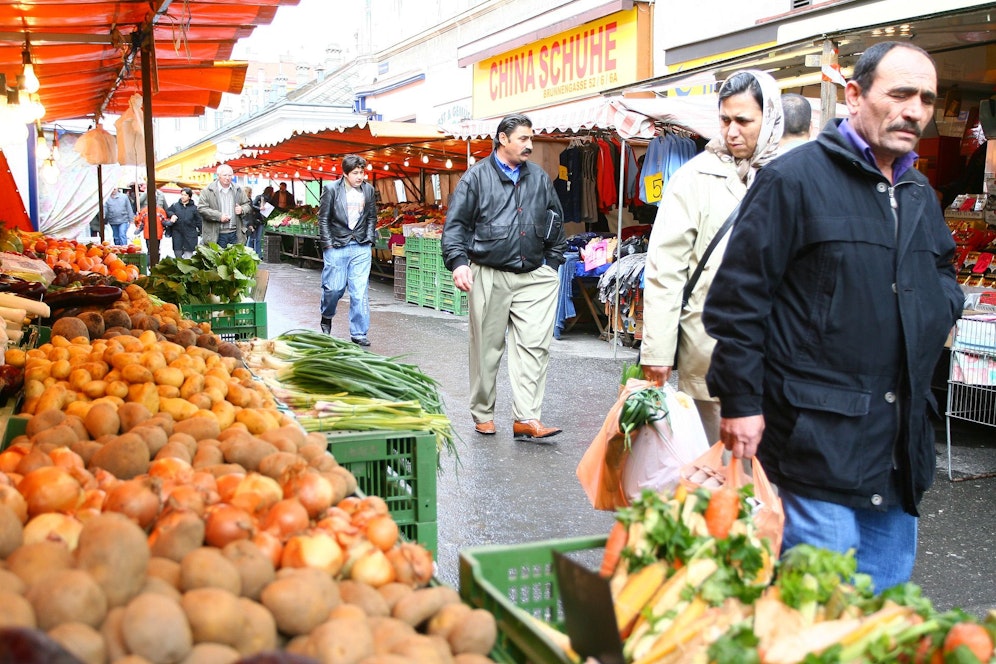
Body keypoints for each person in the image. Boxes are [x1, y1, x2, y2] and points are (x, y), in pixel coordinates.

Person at [702, 42, 964, 592]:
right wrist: (742, 402)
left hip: (898, 451)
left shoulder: (918, 191)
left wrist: (940, 307)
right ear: (854, 95)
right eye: (900, 94)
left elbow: (942, 267)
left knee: (877, 617)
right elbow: (738, 302)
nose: (914, 110)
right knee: (810, 610)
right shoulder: (793, 180)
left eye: (926, 99)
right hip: (812, 444)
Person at [639, 70, 784, 445]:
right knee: (719, 469)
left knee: (773, 483)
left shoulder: (795, 176)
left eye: (743, 121)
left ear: (769, 119)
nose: (731, 131)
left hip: (783, 355)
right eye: (725, 120)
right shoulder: (693, 178)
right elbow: (665, 269)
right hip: (710, 348)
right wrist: (657, 351)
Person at [441, 113, 567, 441]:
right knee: (486, 348)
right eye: (523, 139)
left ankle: (527, 418)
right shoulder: (476, 178)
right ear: (503, 139)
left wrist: (551, 264)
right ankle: (483, 413)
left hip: (534, 277)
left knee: (535, 347)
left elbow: (556, 218)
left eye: (531, 138)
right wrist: (458, 262)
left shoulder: (539, 178)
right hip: (489, 274)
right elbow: (455, 226)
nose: (530, 144)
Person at [317, 155, 377, 346]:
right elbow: (323, 218)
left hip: (360, 246)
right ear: (345, 173)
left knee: (359, 292)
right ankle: (327, 315)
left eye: (362, 172)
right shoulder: (332, 189)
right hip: (337, 245)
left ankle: (359, 332)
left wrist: (369, 239)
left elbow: (371, 217)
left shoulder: (368, 190)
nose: (360, 176)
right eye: (355, 173)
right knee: (333, 289)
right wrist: (328, 244)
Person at [197, 164, 249, 249]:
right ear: (218, 176)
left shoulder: (238, 189)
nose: (227, 178)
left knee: (234, 260)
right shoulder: (208, 191)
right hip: (216, 234)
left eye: (230, 175)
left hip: (235, 233)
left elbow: (247, 204)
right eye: (225, 175)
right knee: (218, 260)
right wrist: (219, 216)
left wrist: (242, 209)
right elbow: (201, 208)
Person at [166, 188, 203, 259]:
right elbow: (168, 211)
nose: (183, 196)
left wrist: (202, 233)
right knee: (178, 255)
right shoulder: (175, 205)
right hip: (177, 234)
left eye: (185, 195)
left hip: (190, 235)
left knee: (188, 258)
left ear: (189, 197)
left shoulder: (194, 209)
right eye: (182, 194)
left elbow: (199, 222)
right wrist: (172, 215)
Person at [249, 185, 274, 255]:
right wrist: (259, 208)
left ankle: (258, 254)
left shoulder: (269, 200)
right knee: (252, 238)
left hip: (262, 220)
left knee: (258, 238)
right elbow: (252, 206)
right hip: (256, 220)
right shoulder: (259, 197)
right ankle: (251, 253)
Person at [242, 185, 263, 255]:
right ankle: (248, 254)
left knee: (250, 239)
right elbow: (247, 215)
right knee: (249, 239)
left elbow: (250, 213)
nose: (251, 194)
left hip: (249, 222)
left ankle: (250, 254)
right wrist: (250, 225)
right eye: (250, 192)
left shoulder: (249, 200)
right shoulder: (244, 201)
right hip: (246, 223)